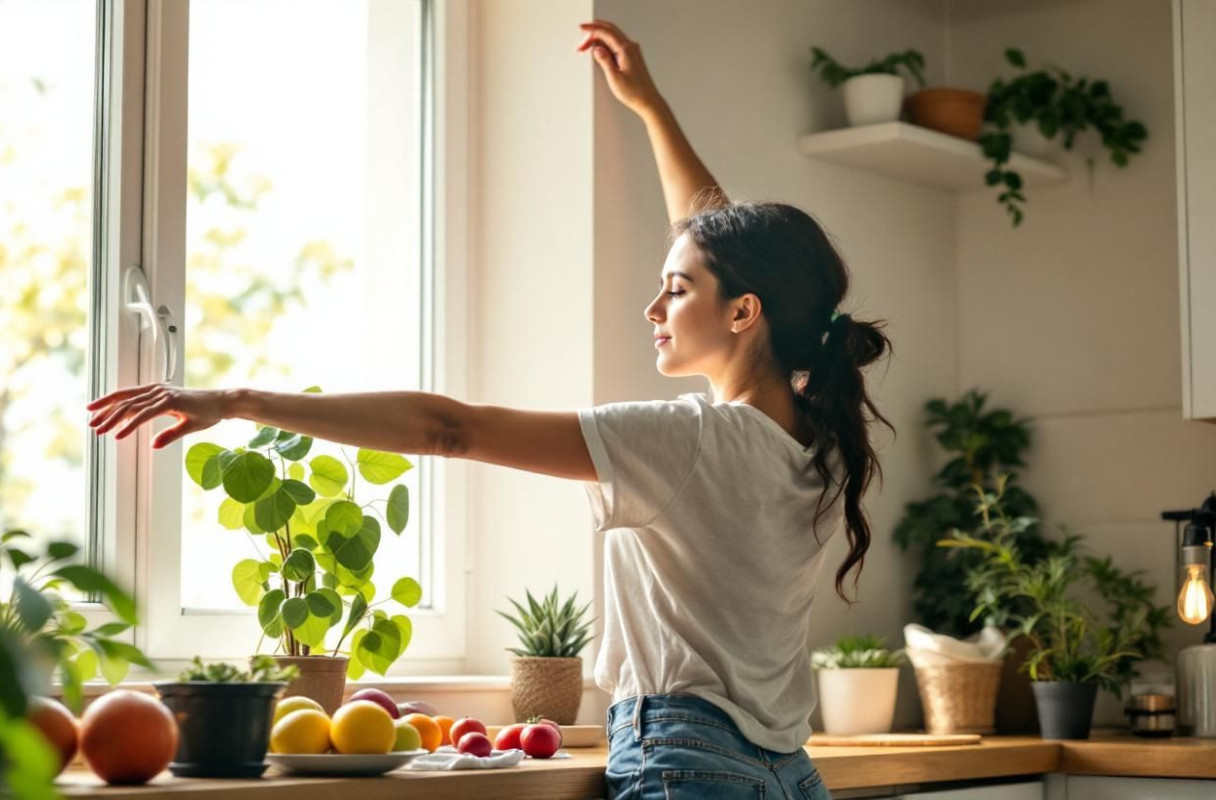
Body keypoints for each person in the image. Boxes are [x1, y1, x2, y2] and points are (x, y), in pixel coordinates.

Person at [88, 18, 890, 800]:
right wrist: (649, 108)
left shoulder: (687, 442)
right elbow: (721, 242)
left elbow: (451, 430)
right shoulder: (820, 438)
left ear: (745, 312)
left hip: (690, 759)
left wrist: (239, 400)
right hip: (789, 769)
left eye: (675, 291)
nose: (653, 308)